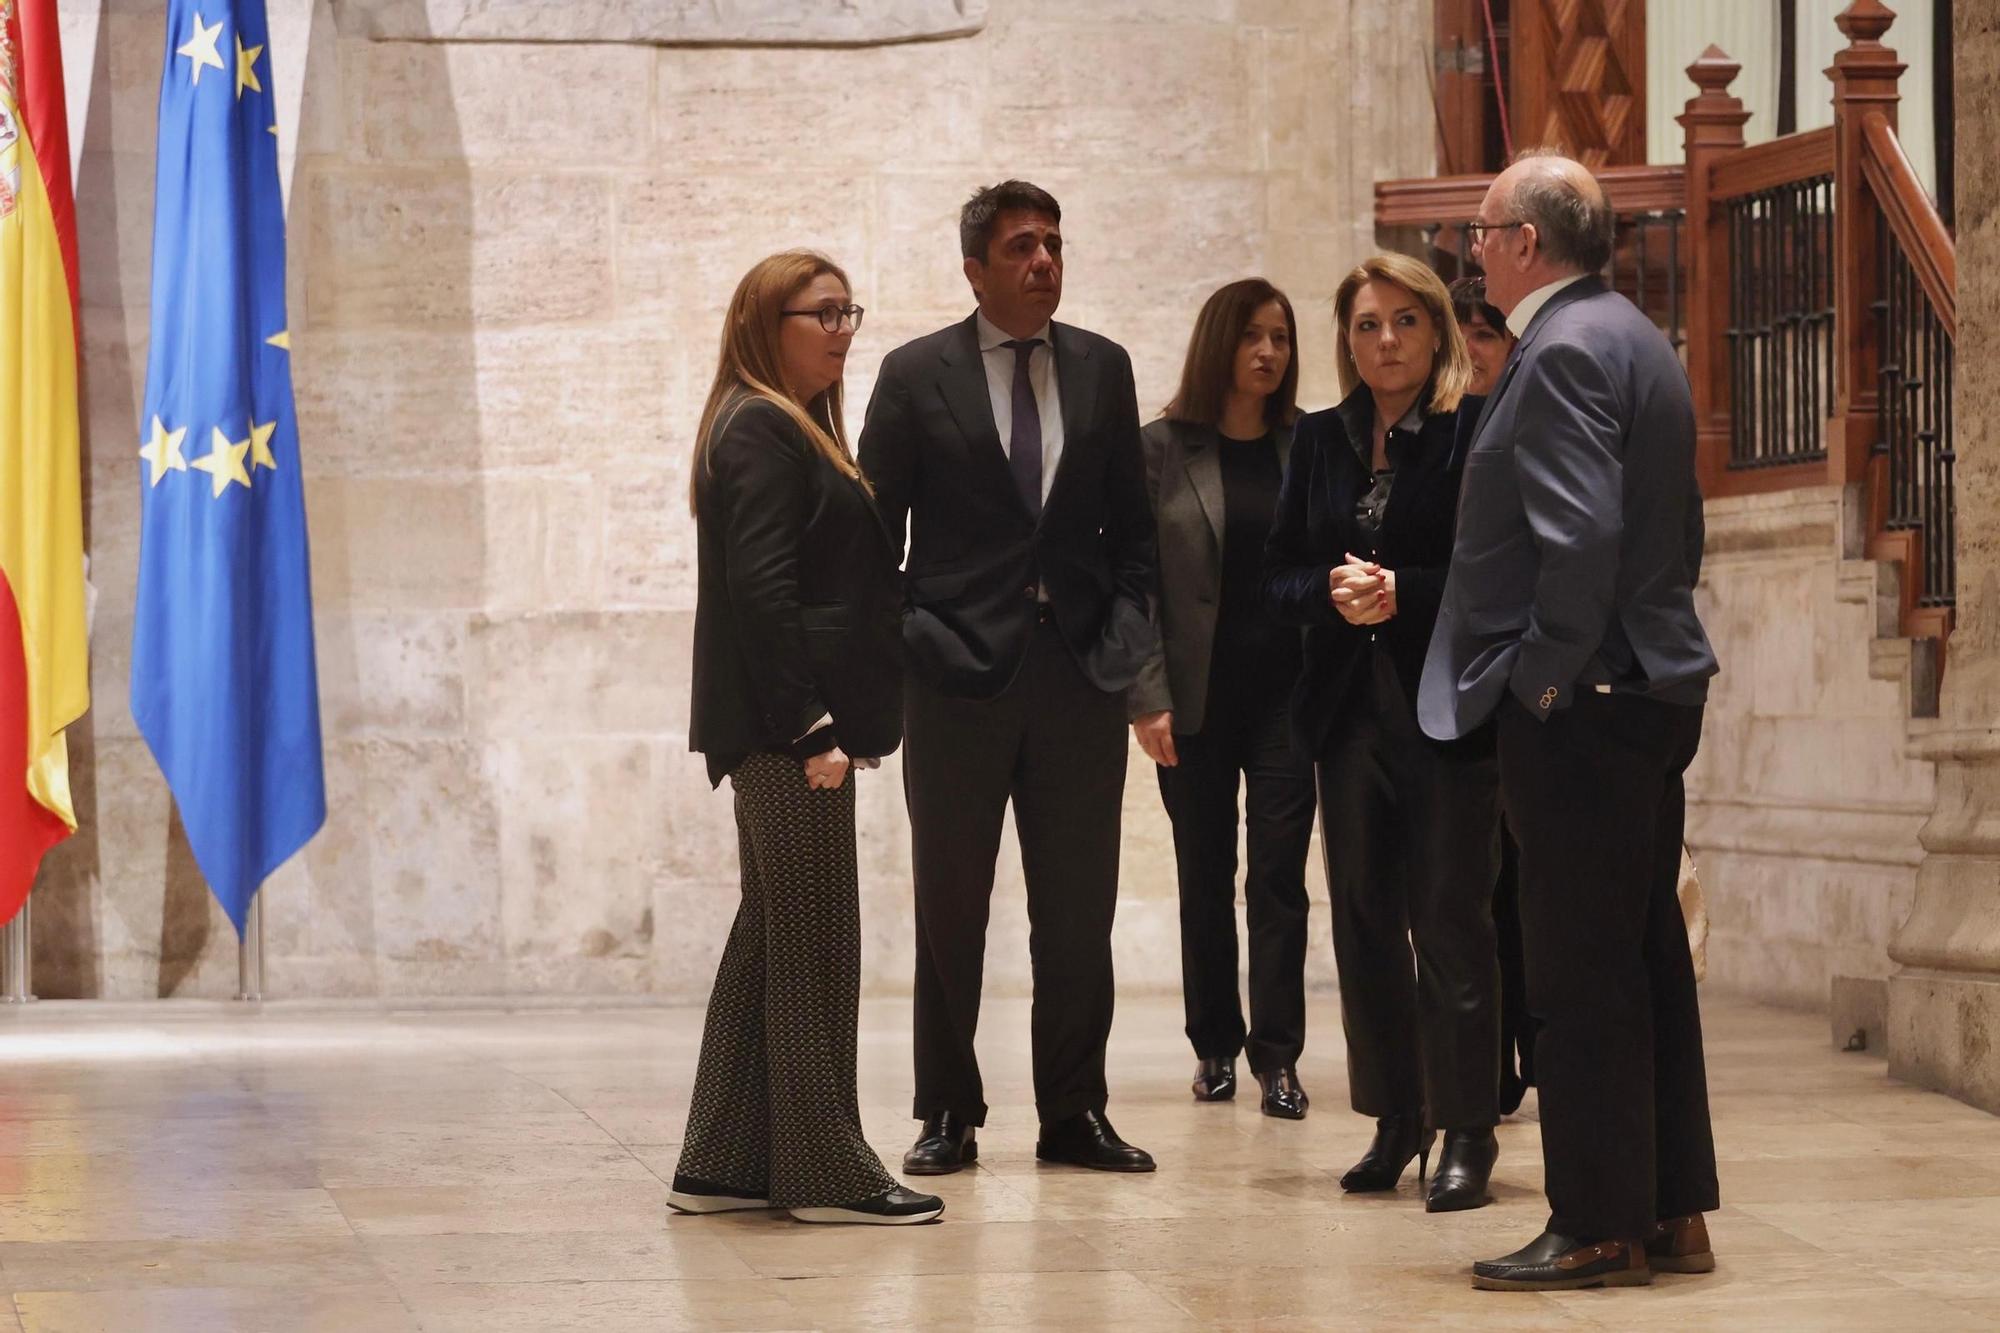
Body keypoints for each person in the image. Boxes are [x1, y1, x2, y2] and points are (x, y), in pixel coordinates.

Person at [1419, 151, 1720, 1291]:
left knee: (1575, 971)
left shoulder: (1554, 352)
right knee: (1641, 953)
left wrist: (1539, 683)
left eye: (1482, 229)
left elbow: (1578, 542)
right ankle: (1668, 1207)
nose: (1472, 247)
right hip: (1646, 689)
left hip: (1585, 702)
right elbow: (1672, 528)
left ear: (1526, 244)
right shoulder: (1633, 337)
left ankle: (1594, 1221)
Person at [858, 181, 1160, 1176]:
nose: (1043, 262)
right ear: (974, 269)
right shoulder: (913, 376)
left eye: (1054, 244)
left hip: (1074, 674)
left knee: (1077, 907)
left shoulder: (1101, 370)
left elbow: (1134, 537)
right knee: (953, 903)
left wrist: (1123, 650)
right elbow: (870, 543)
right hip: (954, 681)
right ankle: (947, 1107)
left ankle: (1074, 1111)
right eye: (1022, 247)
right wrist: (916, 640)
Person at [675, 251, 943, 1226]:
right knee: (817, 946)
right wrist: (808, 723)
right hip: (785, 733)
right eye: (820, 312)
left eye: (848, 313)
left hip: (790, 728)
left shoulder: (787, 427)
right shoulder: (759, 427)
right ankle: (828, 1173)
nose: (841, 329)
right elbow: (760, 595)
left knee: (771, 939)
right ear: (765, 322)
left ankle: (719, 1159)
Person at [1262, 254, 1501, 1212]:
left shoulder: (1471, 432)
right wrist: (1327, 588)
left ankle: (1468, 1127)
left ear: (1436, 329)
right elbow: (1277, 575)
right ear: (1346, 340)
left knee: (1449, 918)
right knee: (1363, 916)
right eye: (1367, 325)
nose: (1387, 341)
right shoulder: (1319, 440)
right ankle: (1395, 1117)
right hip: (1345, 713)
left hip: (1443, 709)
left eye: (1405, 321)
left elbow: (1495, 575)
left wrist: (1406, 593)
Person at [1129, 279, 1318, 1118]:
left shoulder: (1310, 444)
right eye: (1251, 336)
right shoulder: (1162, 448)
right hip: (1193, 701)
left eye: (1279, 336)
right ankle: (1214, 1046)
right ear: (1219, 345)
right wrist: (1145, 696)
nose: (1268, 352)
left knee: (1278, 877)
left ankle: (1279, 1057)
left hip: (1288, 696)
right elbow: (1134, 586)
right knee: (1204, 874)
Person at [1449, 275, 1534, 1116]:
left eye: (1487, 332)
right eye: (1463, 333)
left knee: (1517, 883)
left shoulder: (1523, 413)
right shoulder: (1449, 427)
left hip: (1519, 675)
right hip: (1457, 683)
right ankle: (1496, 1063)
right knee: (1477, 881)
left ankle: (1528, 1046)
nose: (1474, 350)